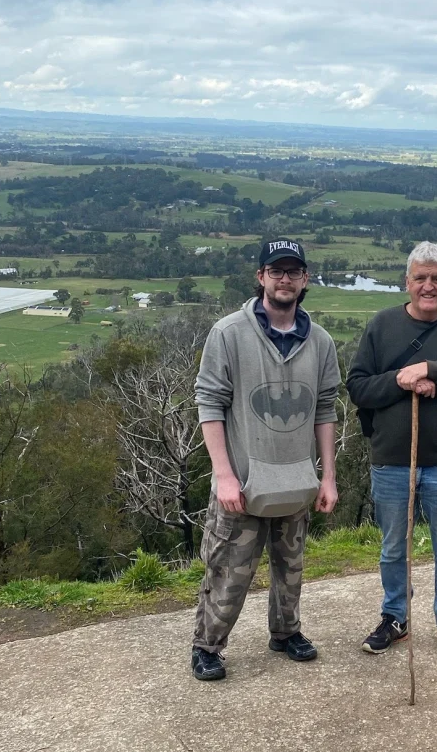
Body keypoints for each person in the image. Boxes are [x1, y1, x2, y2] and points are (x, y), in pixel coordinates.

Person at [191, 238, 340, 681]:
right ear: (260, 277)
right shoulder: (229, 333)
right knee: (228, 569)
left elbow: (325, 408)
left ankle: (286, 632)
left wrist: (327, 476)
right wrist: (223, 475)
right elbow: (209, 403)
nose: (285, 279)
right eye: (276, 270)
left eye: (293, 271)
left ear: (305, 279)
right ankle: (207, 645)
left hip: (296, 479)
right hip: (243, 479)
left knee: (291, 566)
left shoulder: (322, 341)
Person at [346, 241, 437, 656]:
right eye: (420, 278)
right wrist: (400, 380)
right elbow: (357, 388)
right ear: (407, 282)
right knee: (394, 548)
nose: (428, 286)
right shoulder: (381, 326)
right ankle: (395, 616)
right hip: (391, 460)